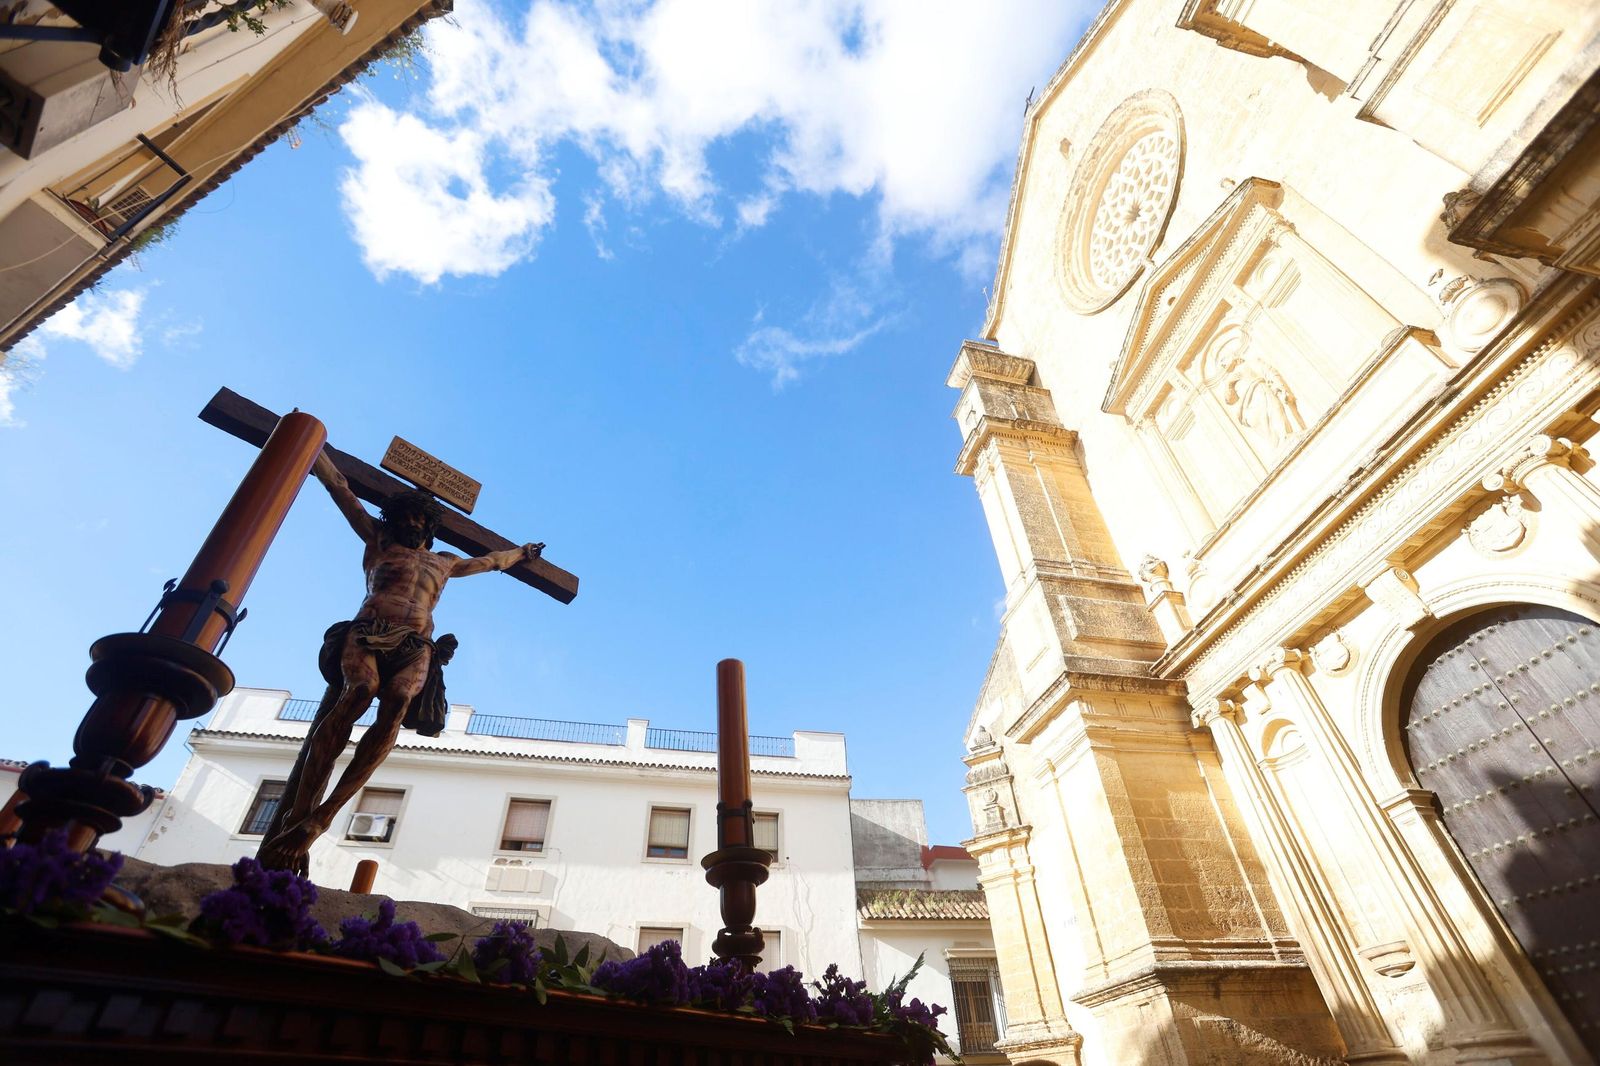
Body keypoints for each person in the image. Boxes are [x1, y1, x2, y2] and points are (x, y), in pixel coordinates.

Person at [257, 450, 541, 873]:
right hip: (369, 630)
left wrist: (521, 553)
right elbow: (341, 490)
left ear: (428, 526)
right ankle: (298, 815)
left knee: (395, 706)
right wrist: (315, 451)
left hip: (416, 643)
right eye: (404, 518)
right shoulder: (378, 543)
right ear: (393, 521)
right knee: (359, 691)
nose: (411, 524)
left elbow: (492, 562)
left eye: (418, 520)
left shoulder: (446, 562)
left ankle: (321, 818)